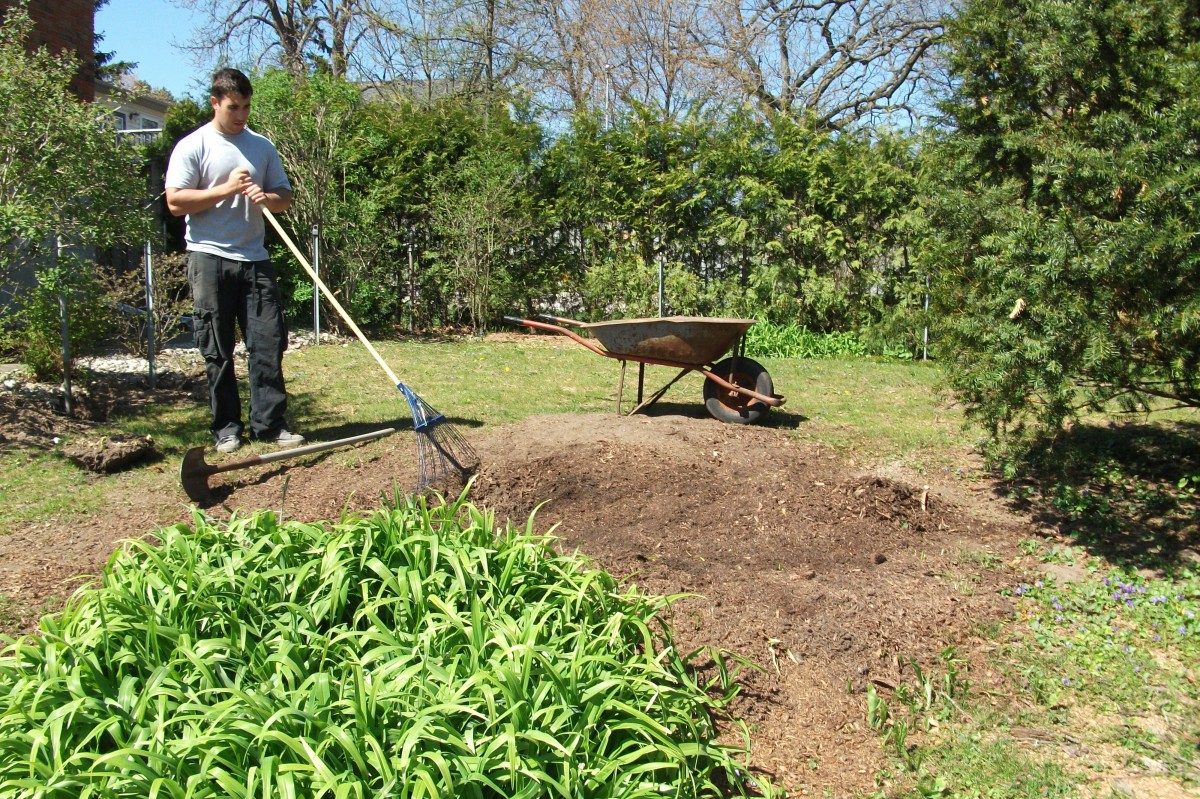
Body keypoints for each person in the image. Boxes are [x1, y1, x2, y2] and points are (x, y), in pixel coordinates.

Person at [166, 68, 304, 454]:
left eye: (245, 106)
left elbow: (284, 196)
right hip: (208, 257)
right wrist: (226, 188)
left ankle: (270, 425)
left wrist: (267, 198)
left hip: (254, 257)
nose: (241, 114)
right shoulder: (193, 146)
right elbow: (175, 202)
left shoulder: (261, 146)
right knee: (217, 345)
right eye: (233, 107)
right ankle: (227, 428)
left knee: (267, 342)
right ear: (215, 103)